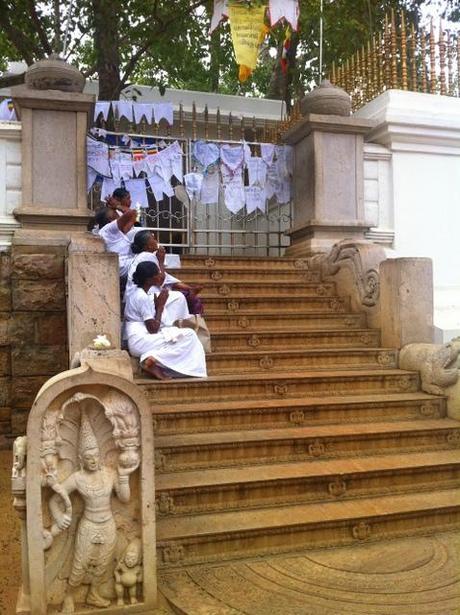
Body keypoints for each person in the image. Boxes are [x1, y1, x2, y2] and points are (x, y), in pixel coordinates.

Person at [124, 261, 207, 380]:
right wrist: (160, 307)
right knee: (189, 335)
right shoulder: (142, 297)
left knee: (177, 336)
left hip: (139, 338)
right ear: (149, 280)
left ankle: (151, 359)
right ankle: (152, 359)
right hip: (140, 341)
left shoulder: (137, 293)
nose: (160, 275)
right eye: (157, 273)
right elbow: (153, 329)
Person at [125, 230, 204, 315]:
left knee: (180, 294)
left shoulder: (144, 256)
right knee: (180, 297)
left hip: (142, 294)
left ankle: (189, 291)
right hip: (143, 296)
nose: (156, 241)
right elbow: (160, 281)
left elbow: (166, 278)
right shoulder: (147, 256)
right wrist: (161, 261)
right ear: (147, 246)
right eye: (153, 239)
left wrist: (189, 288)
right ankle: (179, 322)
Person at [95, 194, 138, 277]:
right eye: (115, 213)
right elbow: (131, 213)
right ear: (110, 220)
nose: (118, 214)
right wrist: (117, 206)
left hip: (126, 265)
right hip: (122, 267)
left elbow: (133, 215)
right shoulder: (107, 230)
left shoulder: (116, 232)